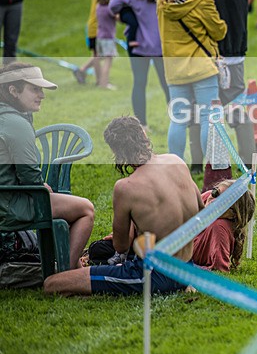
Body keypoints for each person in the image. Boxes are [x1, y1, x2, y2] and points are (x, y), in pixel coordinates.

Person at [43, 116, 202, 296]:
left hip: (152, 275)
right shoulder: (176, 161)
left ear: (116, 151)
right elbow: (200, 208)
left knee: (52, 283)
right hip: (187, 266)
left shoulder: (126, 187)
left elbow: (120, 246)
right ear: (143, 134)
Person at [0, 63, 94, 270]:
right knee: (86, 209)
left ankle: (73, 264)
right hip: (9, 206)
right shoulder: (15, 123)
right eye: (34, 89)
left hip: (7, 198)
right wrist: (40, 185)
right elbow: (29, 176)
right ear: (13, 91)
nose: (41, 95)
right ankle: (64, 273)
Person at [157, 0, 227, 160]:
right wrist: (209, 3)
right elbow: (218, 31)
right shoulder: (202, 1)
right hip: (202, 68)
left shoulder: (162, 2)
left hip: (174, 68)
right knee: (208, 118)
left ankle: (174, 167)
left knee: (178, 118)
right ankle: (212, 167)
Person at [196, 0, 256, 163]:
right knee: (236, 106)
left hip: (204, 51)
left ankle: (200, 161)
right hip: (234, 48)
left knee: (200, 109)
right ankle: (248, 156)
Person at [109, 0, 171, 130]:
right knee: (169, 84)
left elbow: (113, 5)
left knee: (139, 83)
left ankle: (142, 124)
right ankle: (177, 119)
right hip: (165, 44)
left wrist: (127, 14)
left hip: (139, 44)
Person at [192, 179, 255, 272]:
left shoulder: (219, 228)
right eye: (216, 192)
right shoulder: (207, 197)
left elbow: (220, 269)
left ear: (233, 214)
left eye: (223, 202)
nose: (214, 201)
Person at [75, 0, 114, 84]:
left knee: (97, 54)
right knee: (99, 55)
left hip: (93, 26)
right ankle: (99, 80)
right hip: (98, 27)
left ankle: (83, 70)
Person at [93, 0, 117, 90]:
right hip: (108, 38)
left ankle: (99, 81)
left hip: (99, 37)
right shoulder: (110, 9)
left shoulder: (98, 7)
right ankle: (104, 83)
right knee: (108, 61)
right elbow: (118, 17)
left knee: (99, 58)